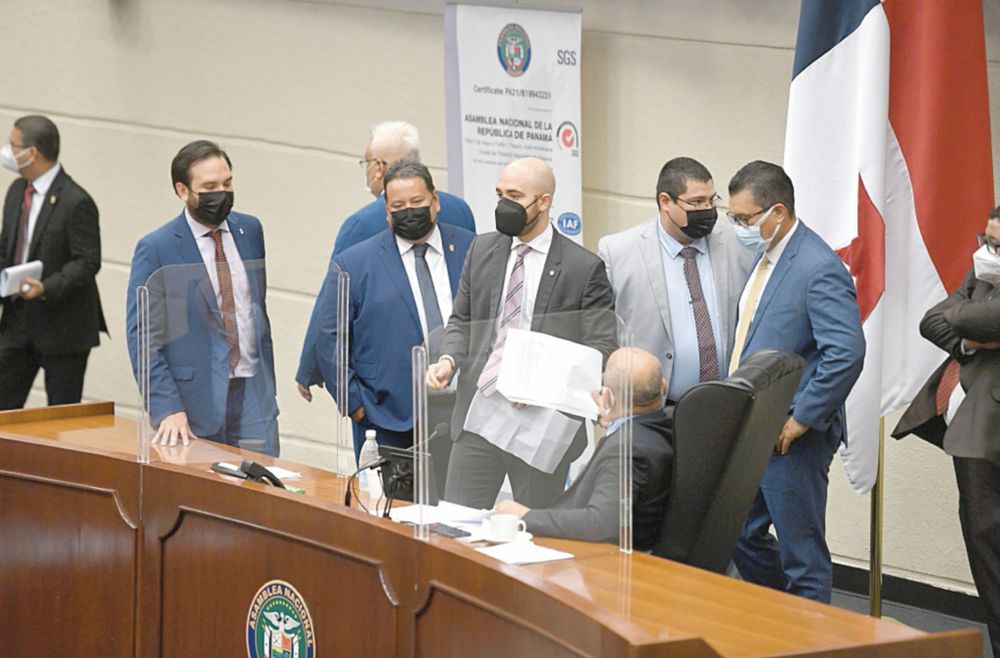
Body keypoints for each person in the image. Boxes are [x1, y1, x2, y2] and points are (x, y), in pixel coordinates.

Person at [426, 157, 618, 510]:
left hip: (541, 423)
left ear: (543, 202)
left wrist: (542, 385)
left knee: (535, 527)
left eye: (514, 196)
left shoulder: (583, 268)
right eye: (500, 194)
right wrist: (448, 360)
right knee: (456, 521)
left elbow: (601, 347)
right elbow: (463, 320)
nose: (504, 205)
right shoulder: (482, 250)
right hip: (479, 410)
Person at [726, 161, 865, 603]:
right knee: (739, 534)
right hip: (753, 427)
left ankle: (809, 634)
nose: (738, 228)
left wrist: (803, 418)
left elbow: (846, 352)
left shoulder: (817, 266)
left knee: (801, 555)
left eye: (744, 219)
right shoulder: (766, 256)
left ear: (778, 212)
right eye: (733, 217)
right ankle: (781, 615)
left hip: (792, 434)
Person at [316, 160, 474, 483]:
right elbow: (328, 339)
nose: (409, 212)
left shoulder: (472, 247)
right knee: (396, 510)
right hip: (390, 418)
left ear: (435, 201)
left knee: (460, 510)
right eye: (398, 206)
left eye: (417, 202)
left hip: (464, 415)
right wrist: (355, 404)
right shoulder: (354, 263)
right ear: (387, 212)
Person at [296, 120, 476, 401]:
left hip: (397, 384)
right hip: (437, 385)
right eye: (399, 206)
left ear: (379, 166)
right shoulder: (460, 208)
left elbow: (331, 303)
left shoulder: (359, 224)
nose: (409, 212)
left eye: (366, 163)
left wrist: (308, 368)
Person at [892, 206, 1000, 658]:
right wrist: (970, 336)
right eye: (987, 239)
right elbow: (932, 320)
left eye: (999, 245)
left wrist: (967, 318)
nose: (987, 251)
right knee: (983, 546)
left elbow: (983, 319)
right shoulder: (984, 273)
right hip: (969, 435)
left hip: (990, 435)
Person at [125, 140, 279, 456]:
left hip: (253, 393)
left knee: (261, 481)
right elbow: (143, 337)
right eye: (209, 187)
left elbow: (255, 308)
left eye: (227, 183)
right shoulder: (157, 248)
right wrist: (166, 407)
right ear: (183, 190)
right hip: (194, 401)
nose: (221, 193)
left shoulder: (250, 230)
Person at [597, 157, 752, 403]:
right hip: (654, 406)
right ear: (665, 201)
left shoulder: (738, 243)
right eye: (696, 202)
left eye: (712, 200)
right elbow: (601, 335)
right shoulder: (618, 253)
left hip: (729, 403)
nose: (707, 209)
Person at [495, 347, 673, 549]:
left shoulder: (626, 449)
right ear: (663, 386)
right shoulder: (666, 428)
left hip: (598, 558)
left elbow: (602, 524)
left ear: (607, 398)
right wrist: (615, 419)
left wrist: (525, 516)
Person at [0, 115, 106, 409]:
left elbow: (87, 262)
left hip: (63, 328)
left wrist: (45, 287)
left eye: (12, 145)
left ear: (31, 153)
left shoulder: (76, 201)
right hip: (17, 321)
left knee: (61, 418)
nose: (7, 151)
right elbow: (6, 246)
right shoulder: (16, 190)